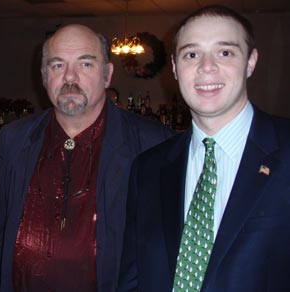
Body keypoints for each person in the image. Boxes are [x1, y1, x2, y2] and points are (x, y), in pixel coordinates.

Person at [118, 5, 290, 292]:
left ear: (251, 61)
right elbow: (133, 279)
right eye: (192, 54)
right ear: (174, 67)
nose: (206, 66)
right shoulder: (148, 168)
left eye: (225, 52)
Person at [0, 24, 173, 292]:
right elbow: (0, 231)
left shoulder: (153, 144)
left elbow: (163, 250)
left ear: (107, 74)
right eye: (57, 66)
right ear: (43, 76)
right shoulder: (13, 139)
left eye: (85, 64)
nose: (69, 77)